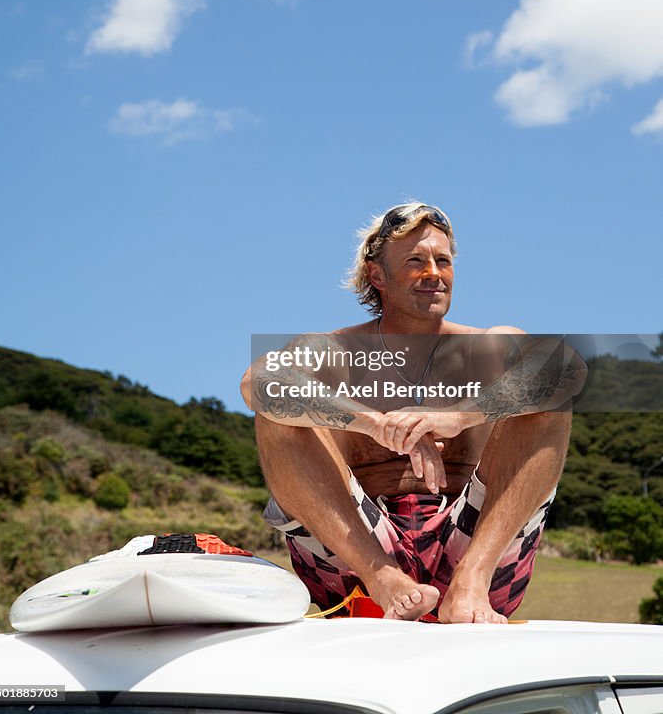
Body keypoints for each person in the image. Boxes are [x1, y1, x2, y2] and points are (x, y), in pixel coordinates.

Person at [241, 202, 581, 623]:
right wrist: (376, 424)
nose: (434, 273)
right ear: (377, 275)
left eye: (443, 260)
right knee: (279, 411)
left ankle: (468, 584)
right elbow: (257, 380)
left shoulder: (488, 347)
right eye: (416, 261)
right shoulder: (333, 351)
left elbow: (565, 367)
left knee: (547, 395)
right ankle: (385, 580)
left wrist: (459, 416)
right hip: (359, 557)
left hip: (474, 550)